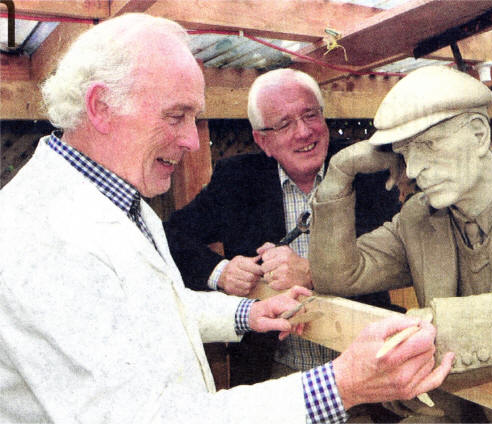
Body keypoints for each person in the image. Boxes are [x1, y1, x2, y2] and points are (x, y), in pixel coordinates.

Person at [0, 14, 453, 423]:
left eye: (193, 118)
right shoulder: (45, 235)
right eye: (176, 116)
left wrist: (246, 313)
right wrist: (341, 385)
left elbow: (152, 309)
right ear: (101, 107)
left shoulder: (119, 199)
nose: (193, 142)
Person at [308, 65, 492, 419]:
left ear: (479, 135)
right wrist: (339, 173)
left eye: (428, 146)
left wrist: (433, 327)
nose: (413, 171)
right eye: (405, 153)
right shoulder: (419, 217)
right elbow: (338, 276)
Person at [164, 68, 402, 385]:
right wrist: (221, 272)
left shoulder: (368, 174)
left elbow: (402, 254)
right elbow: (170, 236)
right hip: (274, 374)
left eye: (310, 116)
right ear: (263, 141)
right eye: (285, 124)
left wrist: (315, 271)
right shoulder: (236, 180)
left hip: (365, 366)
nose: (304, 132)